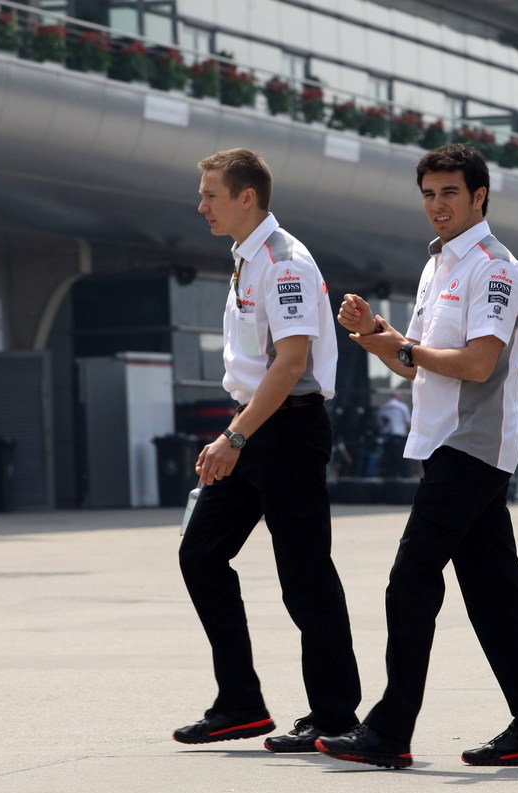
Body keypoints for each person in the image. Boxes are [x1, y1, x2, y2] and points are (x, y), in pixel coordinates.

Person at [319, 143, 518, 769]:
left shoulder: (495, 268)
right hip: (442, 445)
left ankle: (389, 732)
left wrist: (404, 346)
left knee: (409, 583)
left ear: (479, 196)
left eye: (449, 192)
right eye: (428, 194)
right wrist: (379, 337)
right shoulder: (437, 268)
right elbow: (419, 366)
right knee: (495, 595)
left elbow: (479, 364)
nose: (437, 205)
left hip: (472, 447)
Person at [173, 148, 362, 754]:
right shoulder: (247, 259)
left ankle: (333, 715)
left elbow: (291, 363)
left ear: (246, 197)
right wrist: (239, 430)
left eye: (211, 194)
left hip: (286, 428)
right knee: (201, 555)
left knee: (304, 577)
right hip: (256, 425)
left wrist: (235, 436)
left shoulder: (283, 264)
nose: (201, 204)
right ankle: (240, 704)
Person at [377, 391, 411, 478]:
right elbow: (408, 423)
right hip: (399, 436)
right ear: (398, 396)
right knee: (402, 459)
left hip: (387, 437)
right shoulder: (402, 407)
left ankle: (390, 476)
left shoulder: (384, 407)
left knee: (389, 459)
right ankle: (405, 477)